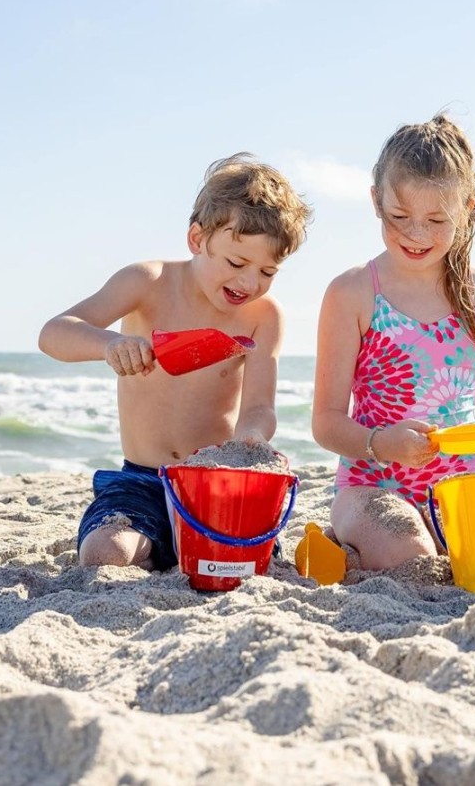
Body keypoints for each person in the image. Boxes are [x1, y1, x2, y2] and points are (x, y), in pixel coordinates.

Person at [311, 113, 475, 570]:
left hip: (460, 482)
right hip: (372, 485)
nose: (416, 234)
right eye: (399, 216)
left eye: (436, 219)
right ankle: (348, 539)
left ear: (468, 207)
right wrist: (381, 443)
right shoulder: (352, 292)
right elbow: (326, 422)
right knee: (408, 556)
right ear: (375, 200)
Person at [38, 154, 312, 571]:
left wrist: (252, 436)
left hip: (214, 482)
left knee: (247, 564)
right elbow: (54, 333)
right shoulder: (148, 282)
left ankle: (173, 552)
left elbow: (258, 406)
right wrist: (111, 344)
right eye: (236, 263)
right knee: (104, 553)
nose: (248, 283)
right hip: (143, 479)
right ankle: (156, 548)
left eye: (267, 271)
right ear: (197, 239)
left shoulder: (262, 317)